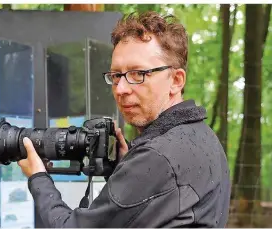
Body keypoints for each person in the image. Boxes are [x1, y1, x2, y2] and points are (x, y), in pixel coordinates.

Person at [17, 11, 231, 227]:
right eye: (116, 75)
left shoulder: (158, 157)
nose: (121, 89)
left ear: (176, 80)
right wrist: (126, 166)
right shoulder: (203, 137)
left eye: (138, 74)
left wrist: (38, 178)